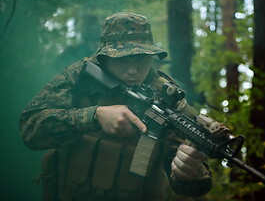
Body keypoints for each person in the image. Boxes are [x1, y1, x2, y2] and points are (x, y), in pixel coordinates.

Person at [19, 12, 212, 201]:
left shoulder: (166, 97)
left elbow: (192, 184)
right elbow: (30, 129)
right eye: (122, 58)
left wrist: (188, 172)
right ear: (103, 58)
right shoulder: (79, 77)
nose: (133, 69)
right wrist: (93, 116)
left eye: (141, 58)